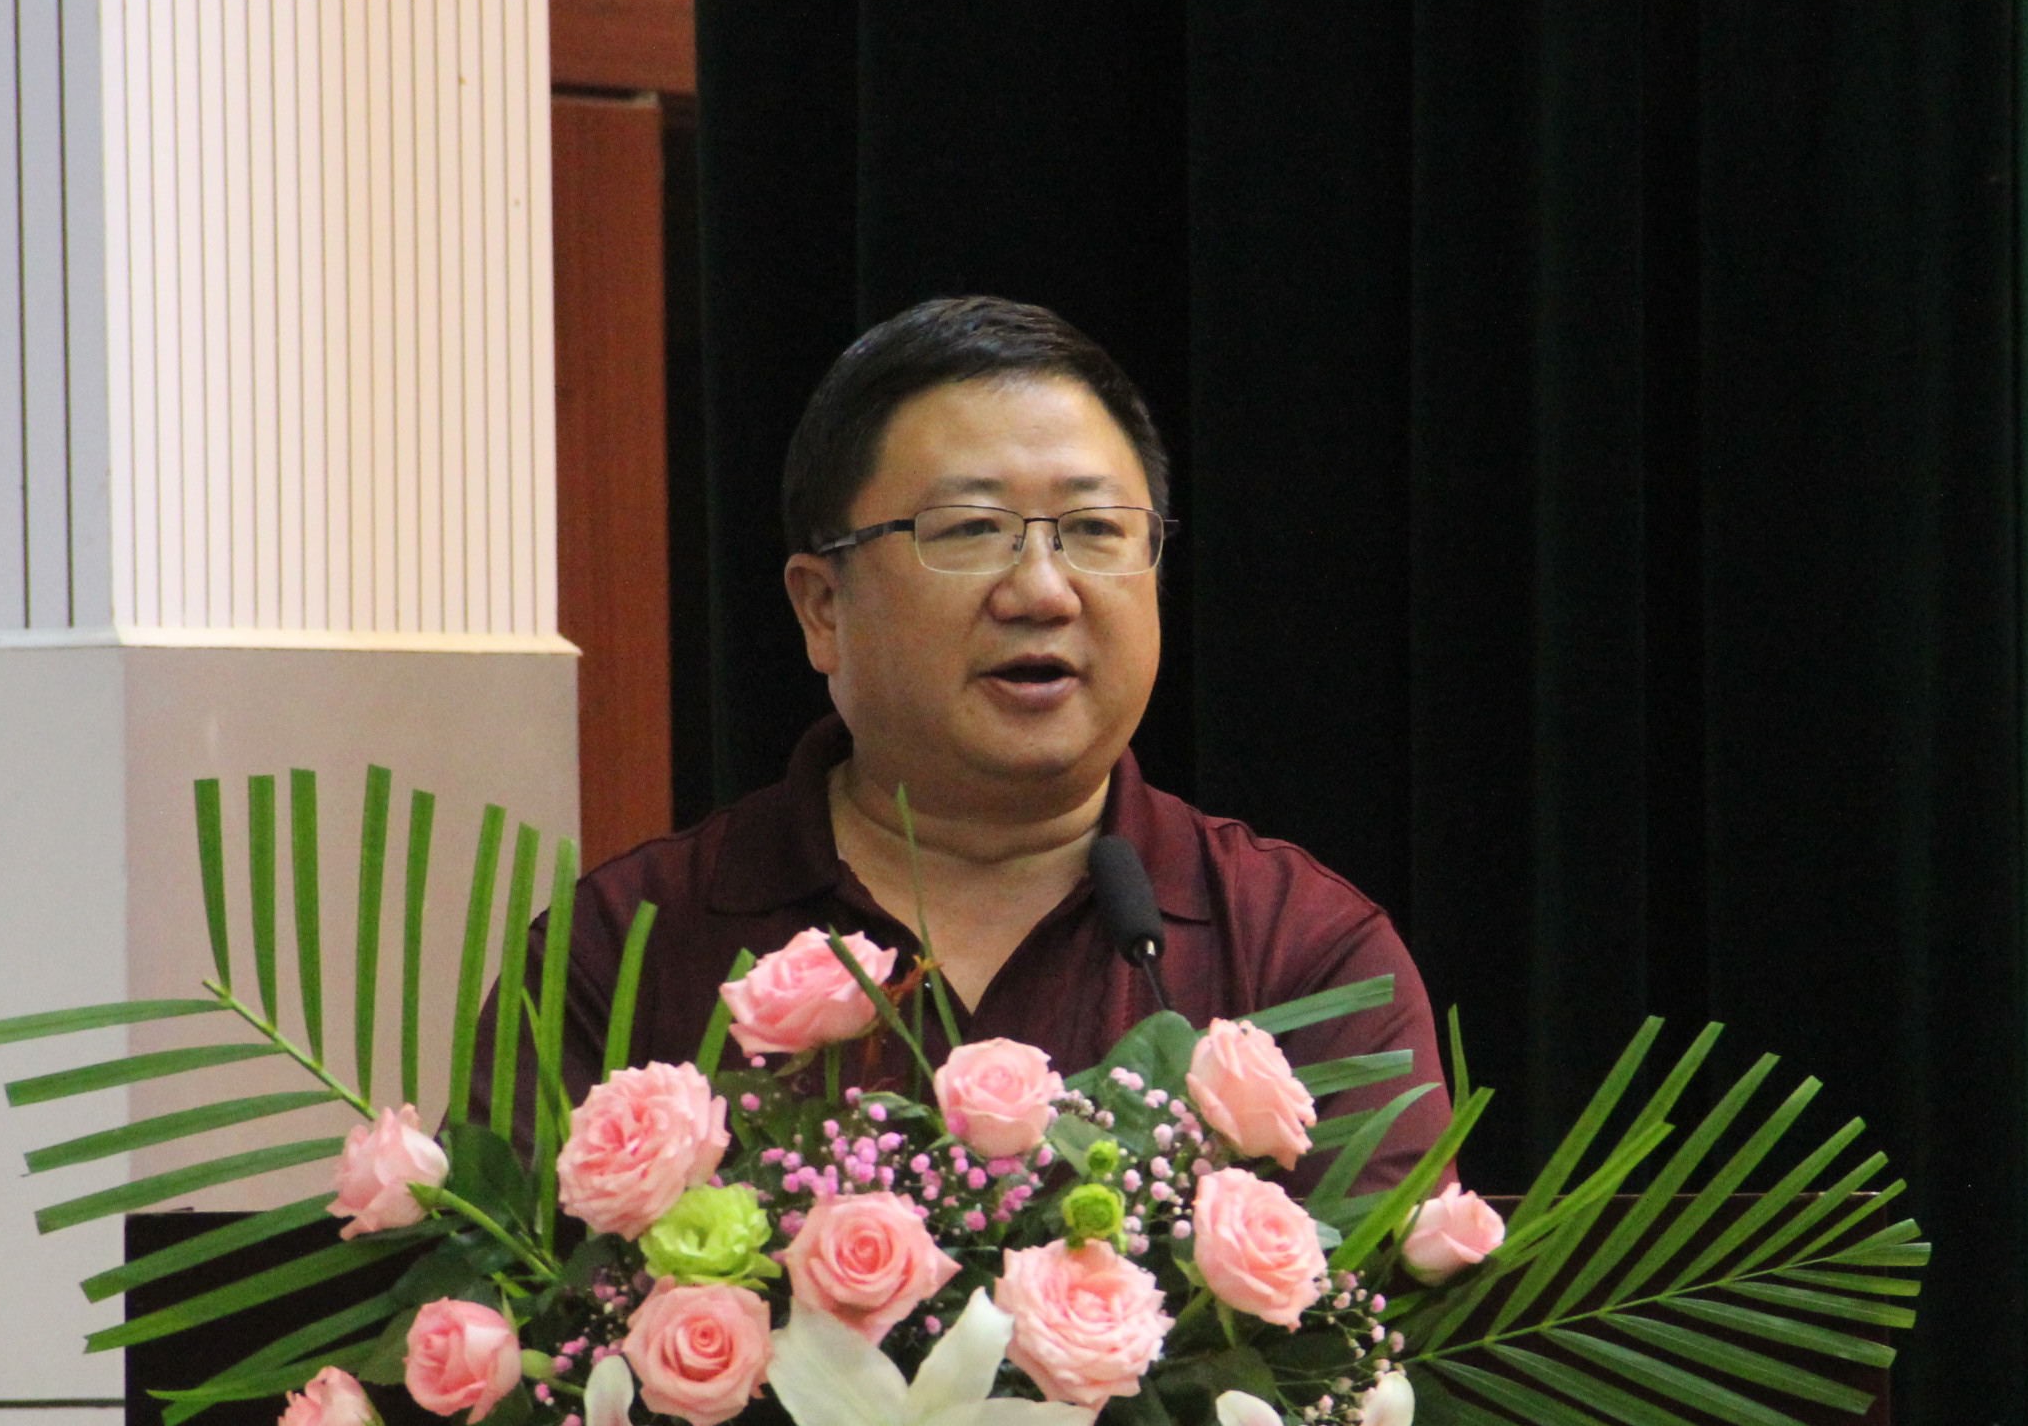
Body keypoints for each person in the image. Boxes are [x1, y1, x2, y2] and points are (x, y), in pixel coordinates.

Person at [545, 295, 1446, 1177]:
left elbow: (1392, 1281)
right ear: (822, 608)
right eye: (972, 530)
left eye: (1095, 529)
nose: (1044, 593)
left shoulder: (1301, 954)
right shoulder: (624, 952)